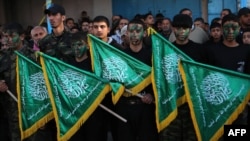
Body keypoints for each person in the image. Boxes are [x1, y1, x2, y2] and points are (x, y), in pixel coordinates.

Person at [31, 4, 73, 141]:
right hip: (53, 91)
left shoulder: (74, 38)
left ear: (63, 17)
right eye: (49, 15)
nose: (52, 18)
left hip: (72, 91)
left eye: (55, 14)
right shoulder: (45, 42)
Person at [202, 14, 250, 132]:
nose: (230, 31)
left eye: (234, 28)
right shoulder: (211, 50)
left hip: (239, 104)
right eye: (227, 28)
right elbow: (205, 75)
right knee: (217, 135)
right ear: (222, 29)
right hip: (217, 105)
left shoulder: (247, 50)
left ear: (239, 29)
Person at [159, 14, 203, 141]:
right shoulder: (167, 50)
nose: (182, 31)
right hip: (172, 105)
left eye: (185, 28)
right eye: (178, 28)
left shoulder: (200, 50)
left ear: (191, 29)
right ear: (173, 29)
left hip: (193, 106)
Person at [115, 18, 158, 141]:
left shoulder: (152, 56)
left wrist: (151, 95)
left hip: (146, 109)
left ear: (144, 33)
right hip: (124, 108)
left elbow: (157, 80)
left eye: (138, 31)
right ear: (126, 33)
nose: (134, 34)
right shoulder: (121, 56)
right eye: (131, 31)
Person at [1, 22, 37, 141]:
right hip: (11, 114)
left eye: (12, 36)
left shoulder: (34, 57)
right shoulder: (2, 57)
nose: (8, 39)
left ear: (22, 36)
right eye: (6, 36)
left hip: (32, 113)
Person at [92, 15, 124, 141]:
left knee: (117, 132)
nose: (99, 30)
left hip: (115, 96)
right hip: (97, 99)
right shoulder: (89, 48)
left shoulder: (118, 49)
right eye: (95, 27)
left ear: (108, 29)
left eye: (102, 27)